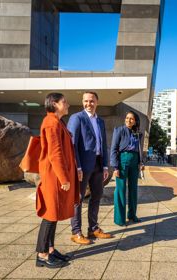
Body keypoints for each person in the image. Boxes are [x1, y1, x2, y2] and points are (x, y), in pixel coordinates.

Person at [35, 93, 79, 268]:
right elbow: (55, 153)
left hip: (56, 175)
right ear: (54, 103)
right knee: (50, 214)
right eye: (64, 102)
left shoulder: (57, 122)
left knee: (54, 214)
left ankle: (50, 249)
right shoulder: (51, 122)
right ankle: (42, 254)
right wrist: (64, 178)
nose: (67, 104)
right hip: (54, 176)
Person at [67, 91, 112, 245]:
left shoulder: (100, 121)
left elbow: (103, 144)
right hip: (83, 166)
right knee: (77, 199)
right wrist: (77, 166)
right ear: (82, 102)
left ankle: (93, 228)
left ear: (97, 102)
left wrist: (105, 165)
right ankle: (76, 232)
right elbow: (71, 145)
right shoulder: (77, 118)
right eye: (86, 101)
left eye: (91, 101)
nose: (88, 104)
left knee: (97, 195)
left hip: (98, 164)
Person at [110, 111, 144, 226]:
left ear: (135, 121)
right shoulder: (119, 130)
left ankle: (132, 215)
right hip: (122, 160)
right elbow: (114, 148)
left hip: (135, 161)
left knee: (134, 189)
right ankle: (120, 219)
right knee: (121, 190)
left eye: (131, 119)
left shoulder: (138, 133)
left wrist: (141, 162)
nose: (128, 120)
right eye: (127, 118)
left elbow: (139, 149)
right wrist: (115, 167)